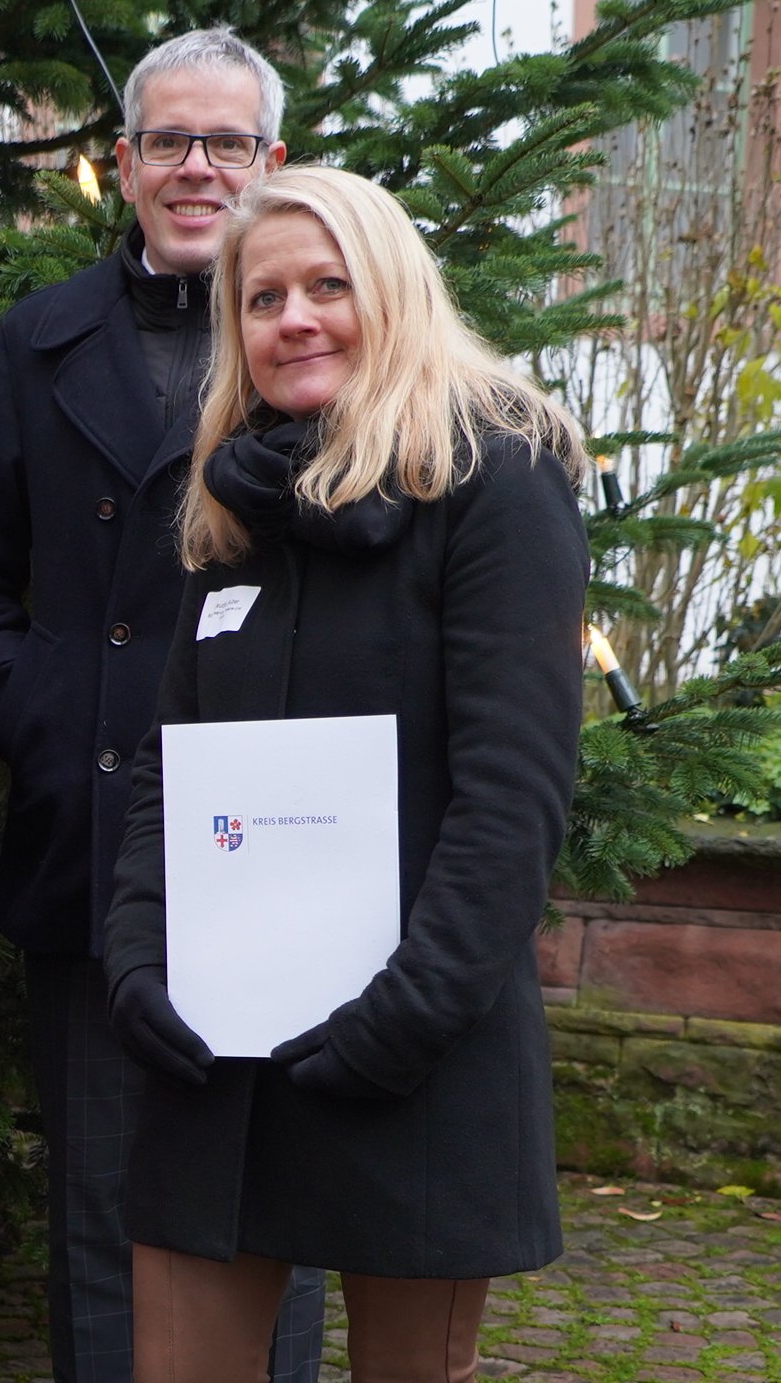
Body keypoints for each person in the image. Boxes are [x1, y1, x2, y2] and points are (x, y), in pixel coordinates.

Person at [103, 165, 589, 1382]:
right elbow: (173, 773)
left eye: (328, 286)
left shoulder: (494, 475)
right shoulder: (232, 505)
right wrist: (133, 962)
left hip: (410, 1058)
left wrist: (394, 1024)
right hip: (214, 1062)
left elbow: (508, 801)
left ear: (393, 292)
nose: (293, 319)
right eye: (261, 299)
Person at [0, 27, 322, 1383]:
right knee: (102, 1216)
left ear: (271, 163)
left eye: (226, 143)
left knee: (269, 1205)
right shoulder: (40, 345)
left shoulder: (318, 338)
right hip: (92, 827)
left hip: (278, 838)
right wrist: (39, 709)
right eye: (168, 140)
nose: (196, 168)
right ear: (119, 166)